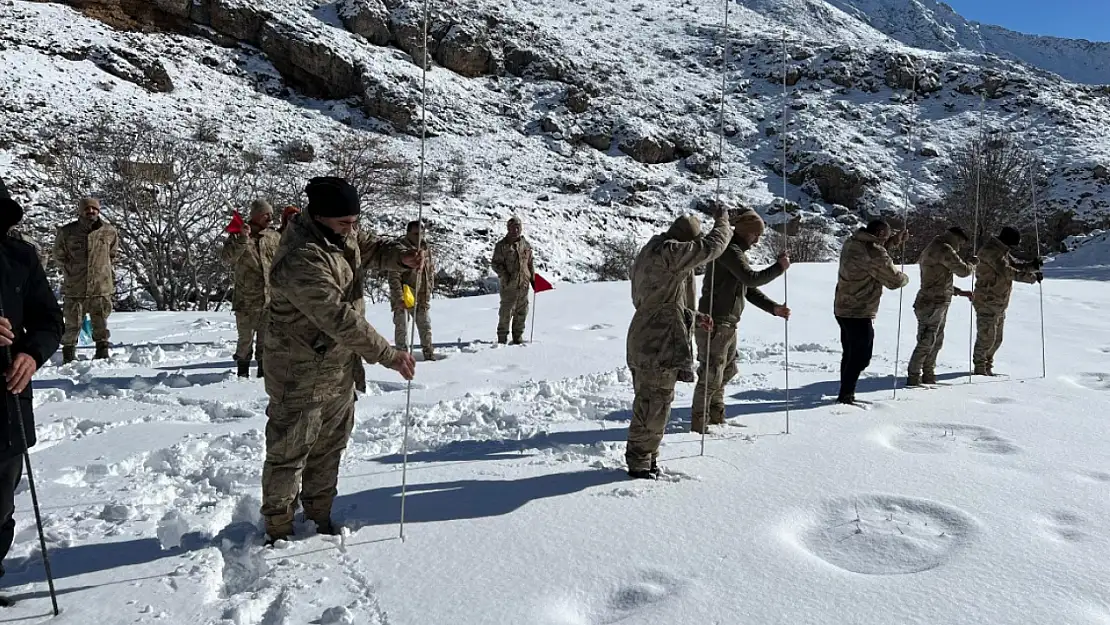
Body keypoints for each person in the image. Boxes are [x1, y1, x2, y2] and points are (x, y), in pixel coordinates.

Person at [260, 176, 421, 543]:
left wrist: (401, 256)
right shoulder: (301, 258)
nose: (352, 230)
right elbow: (338, 318)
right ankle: (278, 529)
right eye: (344, 223)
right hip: (298, 372)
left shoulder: (340, 233)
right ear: (317, 217)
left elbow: (372, 248)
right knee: (289, 453)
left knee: (329, 447)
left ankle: (319, 517)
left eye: (354, 222)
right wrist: (388, 355)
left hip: (339, 368)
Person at [625, 207, 731, 479]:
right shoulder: (671, 252)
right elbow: (712, 247)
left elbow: (662, 300)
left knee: (652, 402)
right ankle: (639, 462)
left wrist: (694, 318)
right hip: (659, 340)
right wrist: (723, 222)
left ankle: (647, 458)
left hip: (645, 334)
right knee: (654, 403)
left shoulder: (652, 249)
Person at [0, 183, 63, 604]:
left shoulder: (20, 257)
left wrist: (32, 354)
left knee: (1, 499)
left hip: (7, 399)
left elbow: (48, 320)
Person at [690, 209, 790, 433]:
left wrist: (773, 308)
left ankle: (716, 416)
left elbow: (747, 288)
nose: (757, 241)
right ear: (747, 232)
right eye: (756, 235)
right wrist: (779, 268)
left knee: (727, 370)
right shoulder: (730, 251)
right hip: (715, 322)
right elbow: (750, 278)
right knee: (712, 374)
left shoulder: (736, 252)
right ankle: (699, 425)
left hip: (727, 323)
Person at [833, 219, 909, 405]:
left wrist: (891, 243)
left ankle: (846, 391)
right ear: (881, 233)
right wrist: (905, 277)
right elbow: (894, 281)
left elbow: (871, 259)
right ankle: (846, 395)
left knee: (849, 353)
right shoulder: (874, 251)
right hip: (859, 310)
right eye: (887, 235)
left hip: (842, 307)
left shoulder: (852, 242)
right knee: (861, 357)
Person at [907, 226, 976, 386]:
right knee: (928, 339)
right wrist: (972, 264)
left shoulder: (933, 246)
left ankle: (927, 373)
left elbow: (938, 278)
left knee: (935, 339)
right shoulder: (944, 249)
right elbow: (963, 271)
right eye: (961, 243)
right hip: (934, 302)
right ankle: (914, 374)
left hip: (931, 299)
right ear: (957, 239)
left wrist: (958, 292)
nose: (959, 248)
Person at [52, 198, 118, 363]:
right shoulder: (67, 232)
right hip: (75, 286)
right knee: (72, 323)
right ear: (80, 211)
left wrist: (103, 270)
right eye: (87, 209)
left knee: (100, 322)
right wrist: (72, 270)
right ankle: (68, 354)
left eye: (94, 208)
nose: (91, 211)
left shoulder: (109, 231)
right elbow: (59, 256)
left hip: (100, 287)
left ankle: (102, 351)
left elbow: (113, 254)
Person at [220, 200, 281, 378]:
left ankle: (263, 376)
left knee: (266, 341)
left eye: (271, 214)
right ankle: (242, 374)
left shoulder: (273, 237)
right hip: (247, 299)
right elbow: (227, 258)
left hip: (269, 300)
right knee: (245, 341)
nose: (270, 217)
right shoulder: (239, 235)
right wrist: (243, 239)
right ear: (255, 215)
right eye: (265, 214)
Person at [972, 226, 1041, 376]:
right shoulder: (990, 251)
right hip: (986, 300)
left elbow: (1014, 265)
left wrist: (1032, 266)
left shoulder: (1002, 251)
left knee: (996, 339)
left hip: (999, 302)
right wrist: (1032, 278)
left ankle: (987, 366)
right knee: (986, 337)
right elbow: (1008, 271)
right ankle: (979, 368)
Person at [389, 221, 437, 360]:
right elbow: (393, 276)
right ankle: (402, 356)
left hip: (421, 294)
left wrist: (429, 290)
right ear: (408, 233)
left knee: (425, 325)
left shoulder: (426, 249)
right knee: (402, 327)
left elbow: (429, 271)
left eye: (422, 233)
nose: (419, 237)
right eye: (416, 234)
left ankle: (429, 353)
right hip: (405, 293)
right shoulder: (400, 250)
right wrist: (399, 297)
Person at [490, 217, 534, 345]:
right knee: (506, 313)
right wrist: (505, 276)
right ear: (508, 229)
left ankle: (518, 339)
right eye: (513, 227)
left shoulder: (525, 245)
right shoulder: (502, 246)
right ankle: (502, 340)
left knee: (522, 312)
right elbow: (495, 264)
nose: (516, 230)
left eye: (518, 227)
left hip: (524, 285)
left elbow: (530, 263)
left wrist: (533, 279)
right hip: (509, 286)